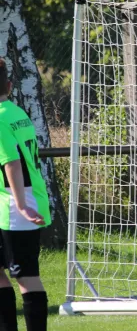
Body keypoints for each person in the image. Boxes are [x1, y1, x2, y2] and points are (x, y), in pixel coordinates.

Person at [0, 58, 50, 331]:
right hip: (9, 201)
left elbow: (12, 163)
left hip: (16, 202)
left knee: (26, 276)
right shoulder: (16, 112)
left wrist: (20, 205)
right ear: (9, 85)